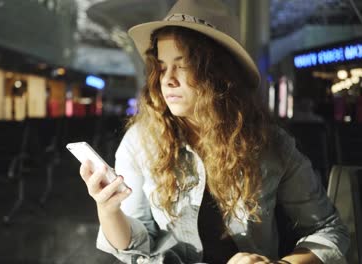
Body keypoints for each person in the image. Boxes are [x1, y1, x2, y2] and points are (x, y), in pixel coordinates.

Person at [79, 0, 349, 263]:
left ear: (219, 72)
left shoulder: (270, 143)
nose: (168, 80)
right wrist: (108, 208)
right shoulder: (140, 141)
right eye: (161, 68)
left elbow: (329, 230)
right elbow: (136, 249)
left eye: (183, 65)